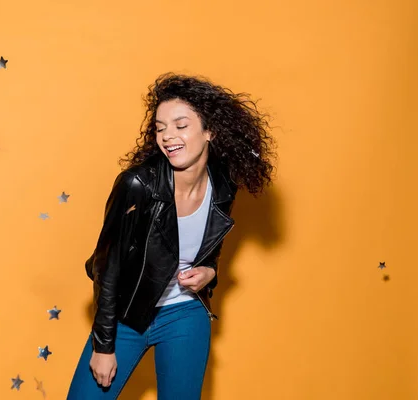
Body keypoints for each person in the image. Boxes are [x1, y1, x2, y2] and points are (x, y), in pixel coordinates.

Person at [67, 72, 276, 399]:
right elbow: (107, 267)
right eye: (160, 127)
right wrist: (104, 346)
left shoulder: (223, 185)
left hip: (185, 316)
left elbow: (209, 247)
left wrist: (210, 272)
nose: (168, 136)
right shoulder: (137, 185)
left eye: (181, 125)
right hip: (125, 318)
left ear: (209, 131)